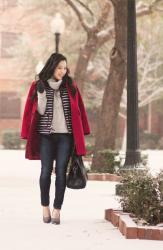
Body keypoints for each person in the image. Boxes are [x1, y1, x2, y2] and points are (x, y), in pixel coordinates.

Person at [21, 53, 90, 225]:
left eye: (64, 68)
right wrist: (42, 95)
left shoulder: (71, 85)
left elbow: (79, 109)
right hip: (46, 136)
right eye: (59, 67)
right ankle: (45, 206)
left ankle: (57, 210)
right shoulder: (38, 85)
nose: (62, 71)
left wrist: (83, 131)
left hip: (66, 137)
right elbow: (38, 111)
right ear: (51, 67)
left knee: (60, 173)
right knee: (45, 172)